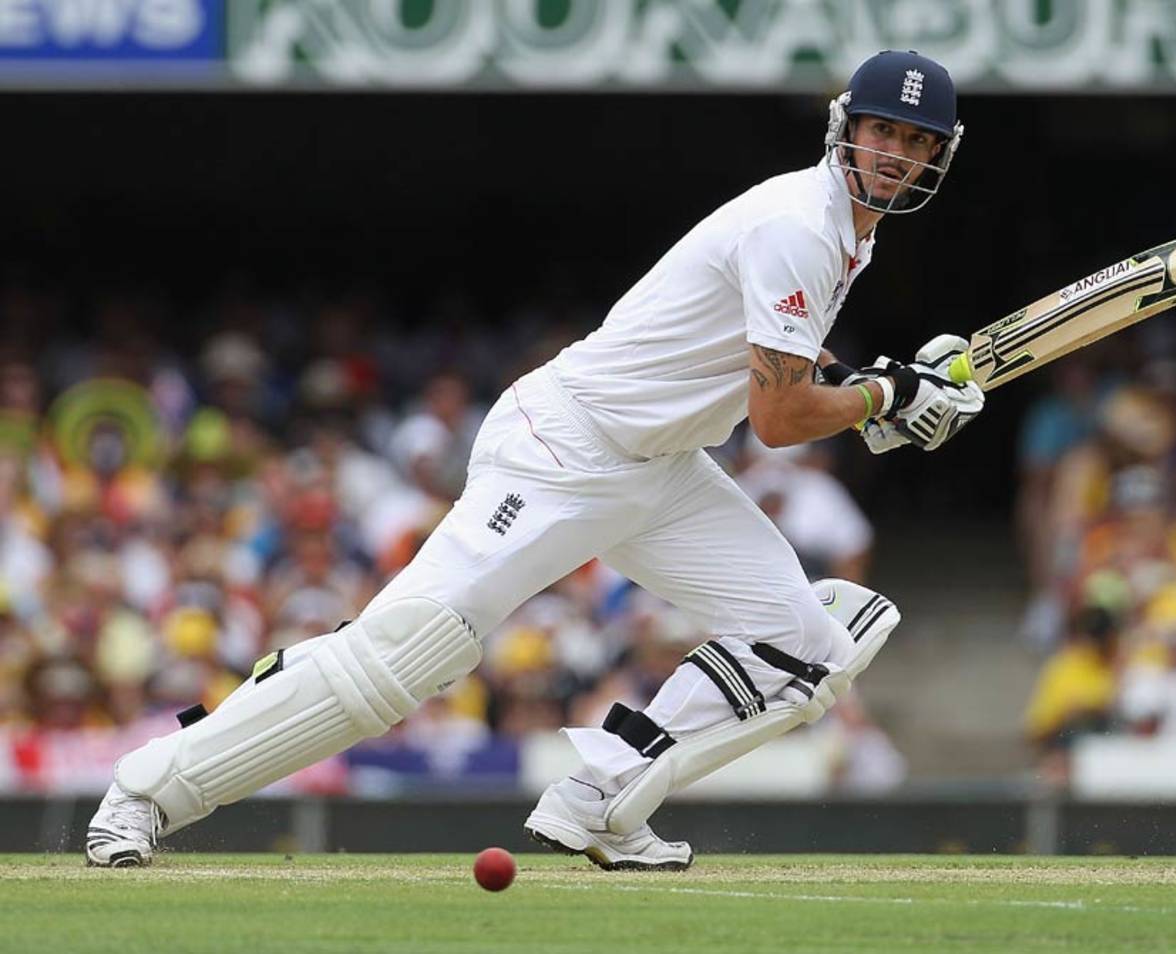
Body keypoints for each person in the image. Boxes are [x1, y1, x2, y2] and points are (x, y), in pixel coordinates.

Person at [84, 50, 983, 870]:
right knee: (405, 656)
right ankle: (145, 792)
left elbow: (766, 367)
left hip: (661, 470)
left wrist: (875, 389)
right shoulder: (799, 221)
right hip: (564, 450)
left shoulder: (846, 231)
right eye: (882, 132)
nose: (895, 154)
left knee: (808, 646)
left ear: (937, 155)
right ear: (846, 130)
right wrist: (889, 398)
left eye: (915, 140)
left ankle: (601, 799)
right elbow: (780, 419)